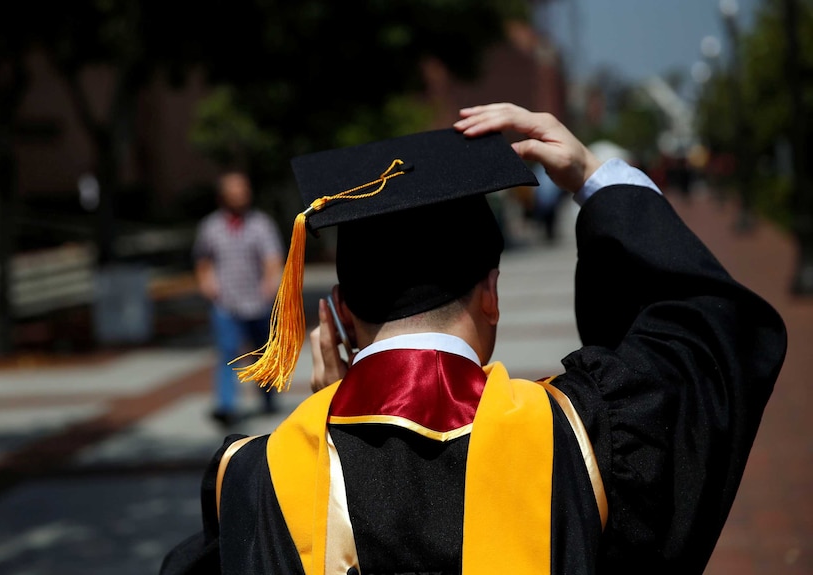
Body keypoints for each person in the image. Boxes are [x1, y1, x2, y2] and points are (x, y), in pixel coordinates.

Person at [162, 103, 787, 574]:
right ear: (491, 293)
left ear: (340, 316)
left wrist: (326, 420)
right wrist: (597, 180)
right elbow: (709, 331)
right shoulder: (580, 438)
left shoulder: (257, 478)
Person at [192, 169, 285, 426]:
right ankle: (226, 406)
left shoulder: (261, 224)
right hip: (226, 302)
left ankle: (267, 398)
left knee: (261, 353)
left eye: (243, 190)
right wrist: (206, 282)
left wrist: (270, 283)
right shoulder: (210, 226)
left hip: (257, 301)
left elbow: (272, 257)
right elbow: (203, 258)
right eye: (234, 190)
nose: (240, 195)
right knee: (227, 352)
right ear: (223, 195)